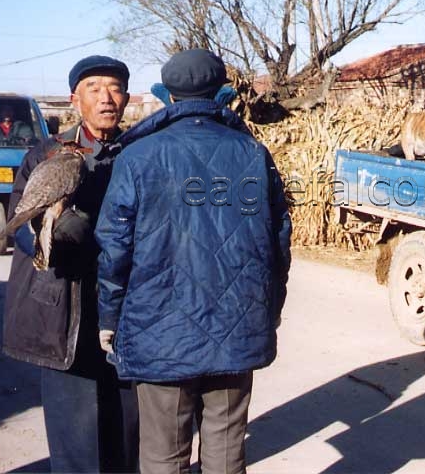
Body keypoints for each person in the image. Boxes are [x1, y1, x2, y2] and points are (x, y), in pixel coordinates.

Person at [95, 48, 292, 474]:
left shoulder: (138, 157)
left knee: (164, 453)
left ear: (168, 97)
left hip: (158, 331)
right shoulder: (252, 153)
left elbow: (115, 248)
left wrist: (108, 318)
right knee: (225, 450)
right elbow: (279, 241)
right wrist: (269, 311)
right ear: (222, 92)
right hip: (238, 324)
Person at [1, 55, 139, 473]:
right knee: (75, 437)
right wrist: (57, 241)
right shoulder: (46, 153)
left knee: (128, 430)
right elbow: (21, 224)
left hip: (126, 306)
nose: (106, 98)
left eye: (114, 89)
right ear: (74, 99)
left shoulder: (139, 153)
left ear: (128, 98)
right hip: (65, 307)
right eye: (94, 88)